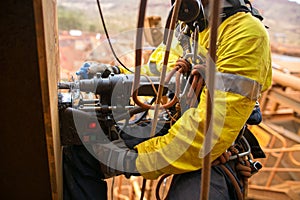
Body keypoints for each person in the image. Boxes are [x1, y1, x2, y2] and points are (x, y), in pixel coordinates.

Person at [63, 0, 272, 199]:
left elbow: (209, 133)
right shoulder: (188, 27)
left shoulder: (246, 34)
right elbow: (158, 71)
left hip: (215, 146)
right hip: (174, 123)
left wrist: (136, 159)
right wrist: (115, 74)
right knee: (81, 153)